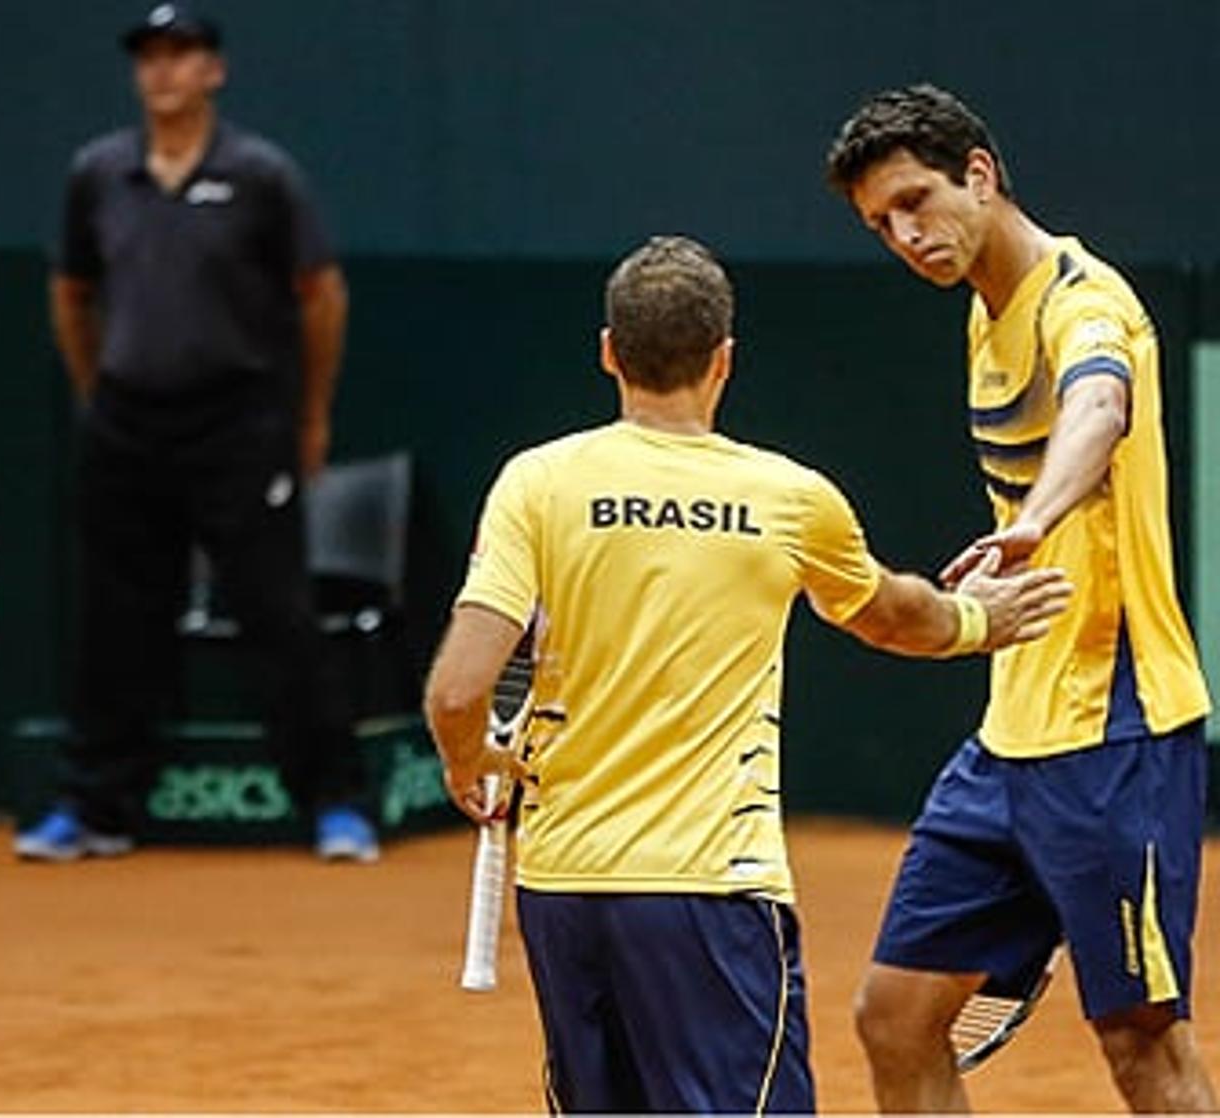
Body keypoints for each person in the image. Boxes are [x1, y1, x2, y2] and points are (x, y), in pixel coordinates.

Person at [425, 235, 1071, 1114]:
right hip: (714, 893)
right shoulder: (791, 498)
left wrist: (472, 765)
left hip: (564, 890)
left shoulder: (534, 484)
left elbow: (459, 692)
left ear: (611, 352)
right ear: (724, 361)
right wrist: (979, 621)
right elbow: (892, 617)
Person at [824, 83, 1216, 1113]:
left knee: (1141, 1042)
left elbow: (1098, 405)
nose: (906, 234)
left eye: (916, 200)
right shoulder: (982, 316)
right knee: (896, 1014)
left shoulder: (1089, 299)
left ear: (981, 175)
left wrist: (1035, 517)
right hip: (1011, 738)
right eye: (881, 224)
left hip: (1117, 732)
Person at [15, 4, 376, 862]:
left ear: (214, 70)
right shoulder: (97, 173)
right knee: (114, 620)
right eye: (150, 57)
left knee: (277, 611)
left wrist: (310, 414)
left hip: (239, 424)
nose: (163, 72)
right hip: (127, 423)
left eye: (181, 55)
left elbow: (322, 295)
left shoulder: (262, 176)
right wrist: (98, 393)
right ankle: (96, 807)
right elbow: (71, 294)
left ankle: (336, 802)